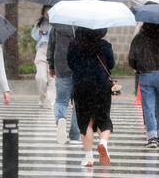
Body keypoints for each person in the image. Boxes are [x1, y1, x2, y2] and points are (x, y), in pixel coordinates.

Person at [67, 28, 114, 167]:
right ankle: (103, 143)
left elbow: (71, 64)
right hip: (101, 86)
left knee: (85, 122)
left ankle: (88, 158)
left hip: (81, 86)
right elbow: (111, 64)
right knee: (103, 118)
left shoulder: (74, 45)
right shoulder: (105, 45)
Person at [129, 23, 159, 148]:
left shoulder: (138, 40)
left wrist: (139, 65)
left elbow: (131, 59)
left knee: (148, 106)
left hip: (146, 75)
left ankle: (152, 137)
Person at [47, 24, 80, 144]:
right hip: (80, 68)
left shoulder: (56, 25)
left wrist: (51, 65)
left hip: (61, 66)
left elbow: (51, 46)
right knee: (78, 102)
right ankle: (75, 134)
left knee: (61, 100)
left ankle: (61, 118)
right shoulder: (84, 24)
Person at [31, 5, 55, 109]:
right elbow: (35, 37)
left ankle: (50, 101)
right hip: (42, 50)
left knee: (52, 79)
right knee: (41, 77)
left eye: (49, 11)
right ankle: (42, 98)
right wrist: (39, 31)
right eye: (46, 11)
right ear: (43, 12)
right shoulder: (40, 23)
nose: (47, 13)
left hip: (53, 51)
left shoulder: (57, 23)